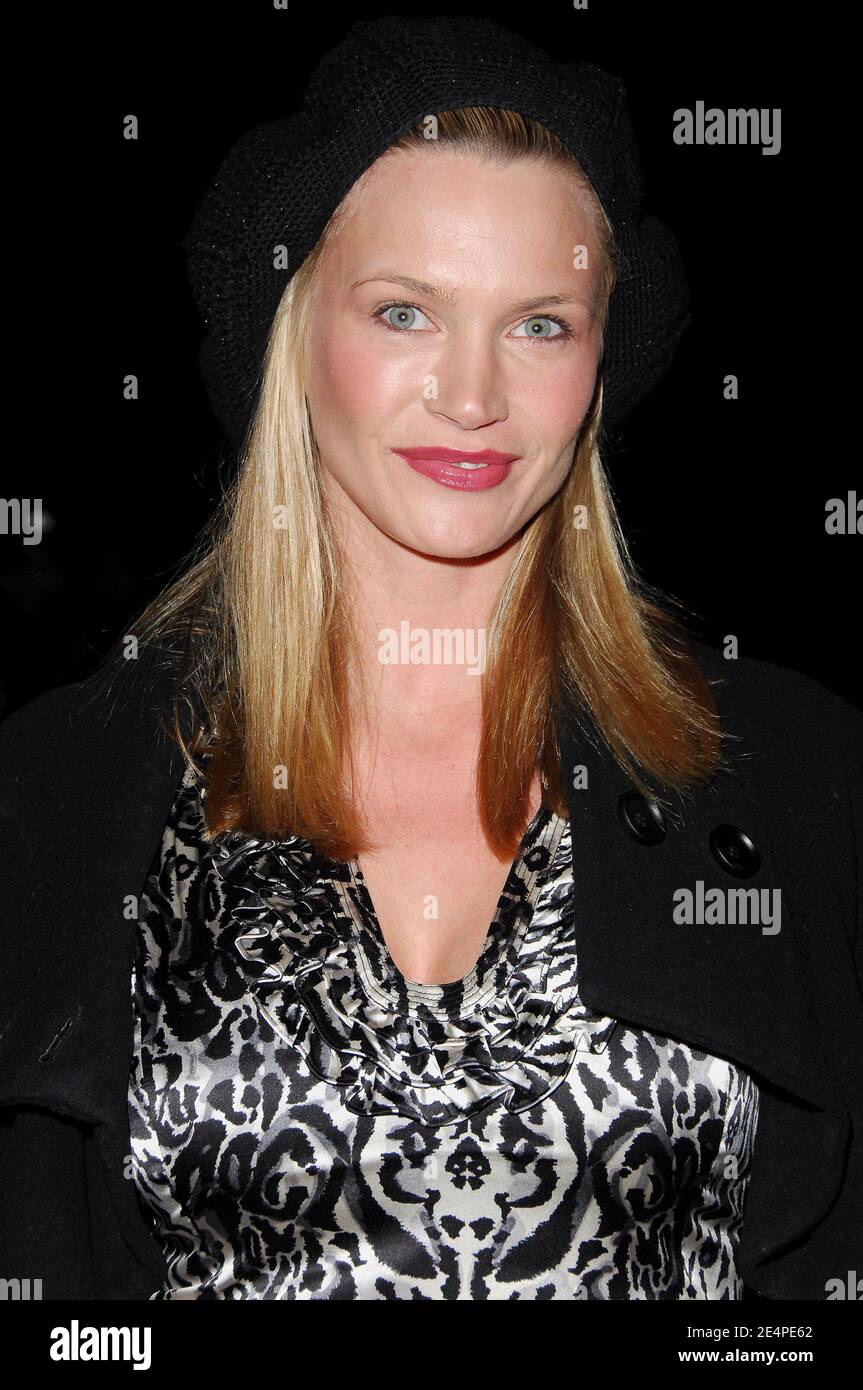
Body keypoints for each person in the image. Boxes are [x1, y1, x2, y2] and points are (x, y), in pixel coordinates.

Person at [1, 15, 861, 1302]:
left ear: (594, 366)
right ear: (295, 336)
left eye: (537, 326)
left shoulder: (801, 770)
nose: (472, 396)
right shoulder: (56, 788)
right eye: (405, 311)